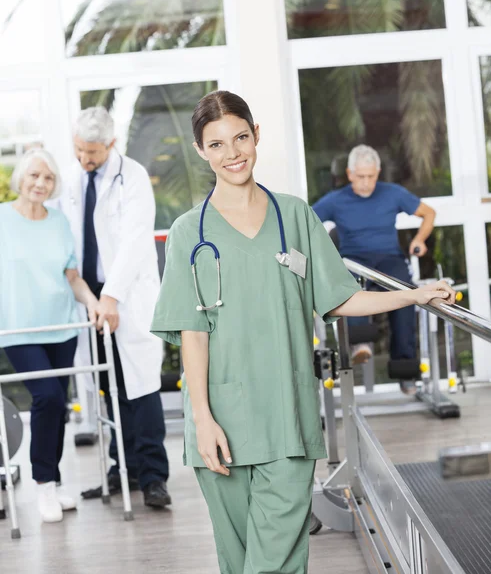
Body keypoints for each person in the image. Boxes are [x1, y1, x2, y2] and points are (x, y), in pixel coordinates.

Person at [150, 91, 454, 573]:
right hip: (219, 421)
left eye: (241, 138)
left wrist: (411, 295)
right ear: (201, 151)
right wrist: (202, 419)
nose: (232, 153)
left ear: (256, 135)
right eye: (217, 144)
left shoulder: (295, 216)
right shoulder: (191, 232)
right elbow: (193, 331)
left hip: (286, 414)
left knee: (274, 559)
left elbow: (338, 297)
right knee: (239, 558)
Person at [59, 107, 171, 508]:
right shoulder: (74, 180)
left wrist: (112, 297)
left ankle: (154, 476)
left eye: (92, 152)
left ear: (112, 144)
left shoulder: (134, 177)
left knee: (140, 386)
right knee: (107, 388)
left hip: (125, 293)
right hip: (90, 297)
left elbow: (136, 240)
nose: (84, 159)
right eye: (78, 150)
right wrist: (91, 297)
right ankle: (120, 470)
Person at [0, 148, 100, 523]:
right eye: (34, 176)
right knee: (48, 397)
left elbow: (71, 277)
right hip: (19, 330)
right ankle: (43, 484)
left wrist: (92, 302)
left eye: (48, 178)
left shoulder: (58, 223)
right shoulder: (2, 220)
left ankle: (53, 481)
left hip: (61, 327)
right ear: (20, 180)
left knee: (58, 407)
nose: (41, 184)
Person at [313, 144, 436, 394]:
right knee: (349, 286)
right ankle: (361, 347)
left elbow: (429, 213)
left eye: (371, 176)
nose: (366, 182)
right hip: (354, 260)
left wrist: (419, 240)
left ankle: (405, 372)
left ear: (378, 173)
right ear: (349, 174)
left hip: (389, 260)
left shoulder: (392, 193)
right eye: (360, 177)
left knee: (407, 296)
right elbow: (306, 222)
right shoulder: (336, 201)